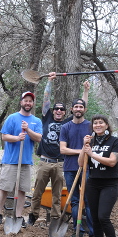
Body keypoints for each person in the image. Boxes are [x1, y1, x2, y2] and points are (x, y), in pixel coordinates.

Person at [27, 73, 72, 226]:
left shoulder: (67, 123)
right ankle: (32, 215)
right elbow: (46, 99)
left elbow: (81, 108)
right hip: (45, 161)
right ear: (53, 111)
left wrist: (86, 91)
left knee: (57, 194)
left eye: (61, 109)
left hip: (60, 163)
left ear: (65, 112)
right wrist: (49, 81)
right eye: (56, 109)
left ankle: (54, 219)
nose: (58, 111)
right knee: (37, 191)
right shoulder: (46, 118)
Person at [0, 91, 43, 225]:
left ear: (33, 103)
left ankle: (18, 216)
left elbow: (38, 138)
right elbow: (4, 136)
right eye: (25, 100)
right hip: (10, 160)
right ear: (21, 102)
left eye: (30, 101)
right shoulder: (12, 118)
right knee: (4, 188)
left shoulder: (36, 121)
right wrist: (17, 138)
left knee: (22, 190)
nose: (28, 103)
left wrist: (28, 130)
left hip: (26, 161)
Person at [79, 115, 118, 237]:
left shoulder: (114, 141)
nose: (97, 125)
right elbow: (80, 163)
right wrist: (84, 147)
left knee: (103, 217)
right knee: (95, 218)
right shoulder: (90, 141)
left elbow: (112, 161)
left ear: (106, 125)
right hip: (93, 183)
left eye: (100, 123)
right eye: (95, 123)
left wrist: (92, 154)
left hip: (109, 184)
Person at [59, 83, 93, 237]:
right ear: (71, 110)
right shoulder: (66, 127)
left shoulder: (91, 126)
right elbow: (63, 150)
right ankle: (76, 231)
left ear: (85, 110)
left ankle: (93, 233)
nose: (78, 109)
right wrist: (81, 151)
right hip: (70, 168)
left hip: (87, 169)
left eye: (81, 107)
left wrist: (86, 91)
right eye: (76, 107)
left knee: (88, 200)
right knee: (74, 201)